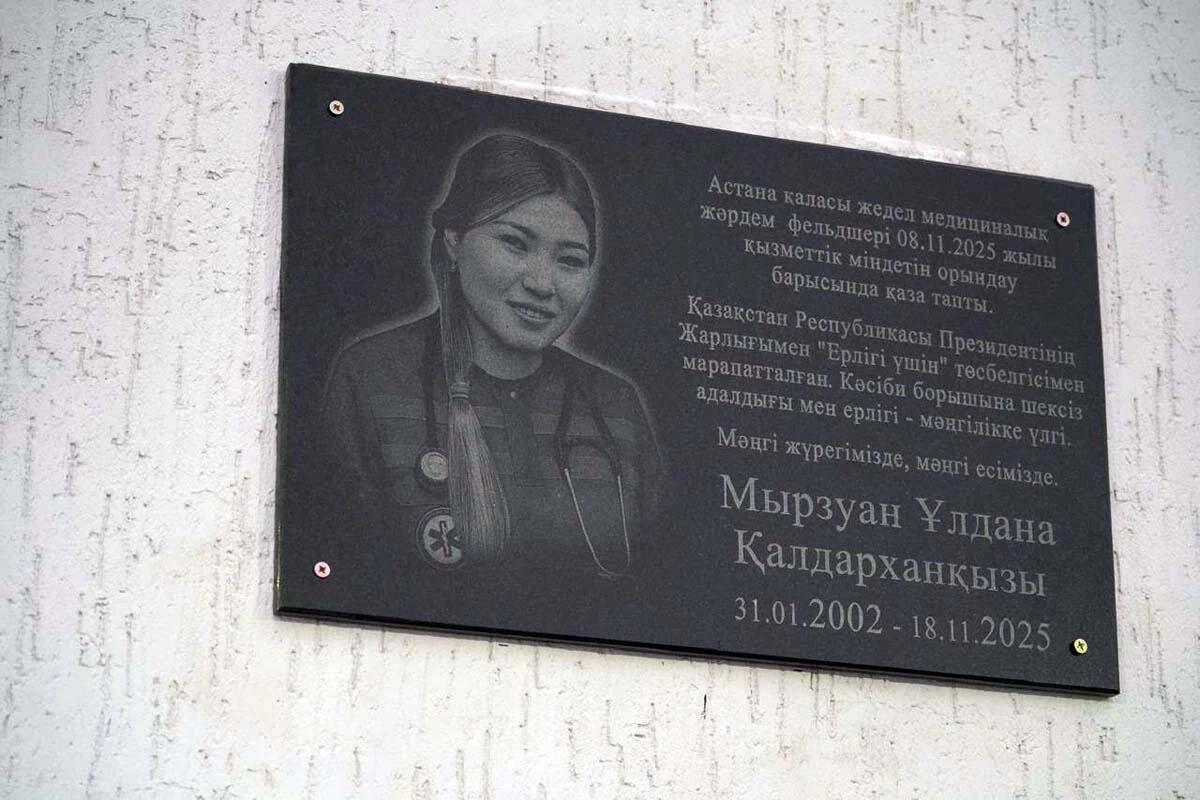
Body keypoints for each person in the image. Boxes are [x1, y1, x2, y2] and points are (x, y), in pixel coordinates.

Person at [320, 133, 662, 584]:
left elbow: (660, 577)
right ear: (454, 240)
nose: (541, 283)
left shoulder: (614, 404)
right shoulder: (370, 378)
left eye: (570, 260)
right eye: (515, 244)